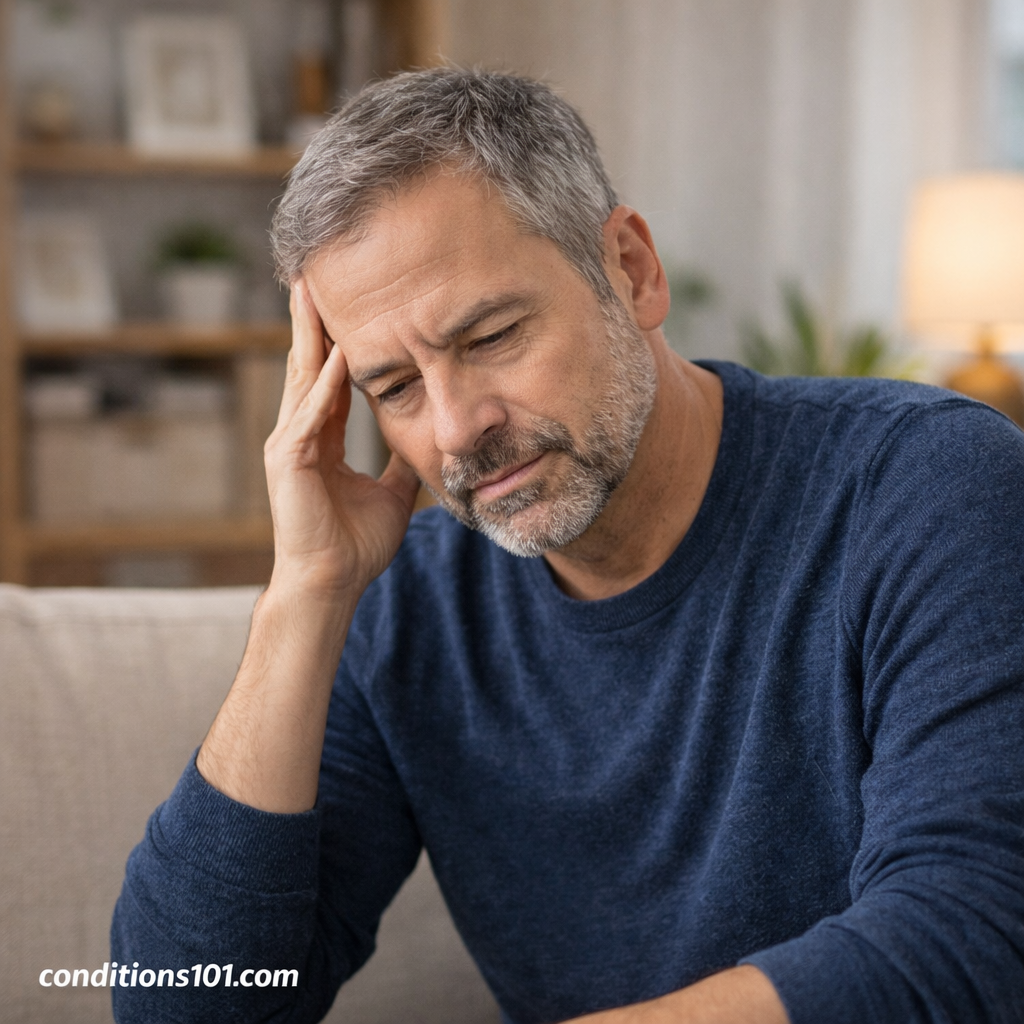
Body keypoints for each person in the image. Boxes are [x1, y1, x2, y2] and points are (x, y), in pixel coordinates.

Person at [111, 68, 1024, 1024]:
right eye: (395, 388)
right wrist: (304, 590)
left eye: (492, 335)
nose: (457, 429)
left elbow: (975, 937)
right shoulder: (408, 614)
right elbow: (178, 1008)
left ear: (630, 269)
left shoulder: (925, 485)